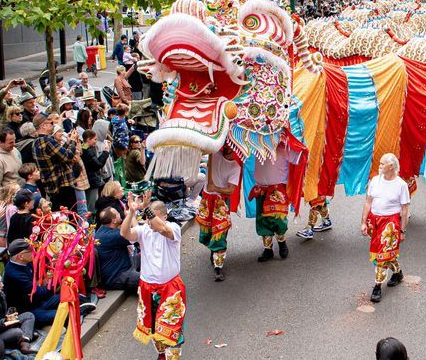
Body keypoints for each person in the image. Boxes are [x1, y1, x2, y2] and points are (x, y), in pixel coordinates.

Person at [121, 193, 185, 360]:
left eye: (153, 217)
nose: (150, 221)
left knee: (171, 328)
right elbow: (124, 233)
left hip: (170, 289)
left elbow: (162, 229)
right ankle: (162, 355)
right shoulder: (144, 231)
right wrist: (131, 212)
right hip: (147, 289)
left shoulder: (174, 229)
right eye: (148, 218)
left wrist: (147, 208)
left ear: (164, 216)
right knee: (153, 329)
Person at [361, 154, 410, 304]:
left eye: (383, 164)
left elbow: (405, 210)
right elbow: (368, 202)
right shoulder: (375, 180)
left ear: (392, 166)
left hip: (390, 224)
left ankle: (377, 286)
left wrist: (402, 230)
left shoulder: (401, 185)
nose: (379, 165)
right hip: (374, 221)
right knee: (385, 253)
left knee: (381, 257)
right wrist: (363, 222)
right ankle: (397, 272)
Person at [196, 146, 241, 281]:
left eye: (232, 146)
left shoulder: (236, 167)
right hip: (206, 200)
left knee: (219, 234)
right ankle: (213, 249)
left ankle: (218, 267)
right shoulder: (214, 154)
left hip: (220, 202)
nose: (228, 147)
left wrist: (215, 187)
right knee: (205, 235)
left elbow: (231, 190)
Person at [252, 142, 301, 263]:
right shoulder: (257, 144)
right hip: (261, 188)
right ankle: (268, 249)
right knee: (262, 219)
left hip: (277, 188)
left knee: (278, 219)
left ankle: (282, 243)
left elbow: (299, 158)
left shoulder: (284, 146)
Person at [2, 239, 61, 327]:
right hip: (26, 311)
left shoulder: (23, 263)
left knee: (69, 296)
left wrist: (55, 259)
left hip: (36, 303)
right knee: (61, 314)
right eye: (31, 251)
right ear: (21, 256)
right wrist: (54, 281)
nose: (34, 252)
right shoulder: (15, 274)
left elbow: (43, 263)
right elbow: (39, 293)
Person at [31, 113, 78, 211]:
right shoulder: (48, 141)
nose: (53, 125)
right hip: (61, 186)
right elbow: (67, 157)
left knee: (59, 217)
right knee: (69, 218)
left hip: (52, 186)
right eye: (51, 123)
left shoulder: (36, 142)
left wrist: (68, 142)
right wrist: (73, 141)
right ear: (43, 125)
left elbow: (58, 157)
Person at [94, 208, 139, 292]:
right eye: (118, 213)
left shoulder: (103, 228)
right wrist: (131, 215)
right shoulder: (111, 235)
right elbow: (138, 233)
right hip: (117, 276)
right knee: (149, 280)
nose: (120, 213)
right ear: (114, 221)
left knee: (147, 256)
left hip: (125, 265)